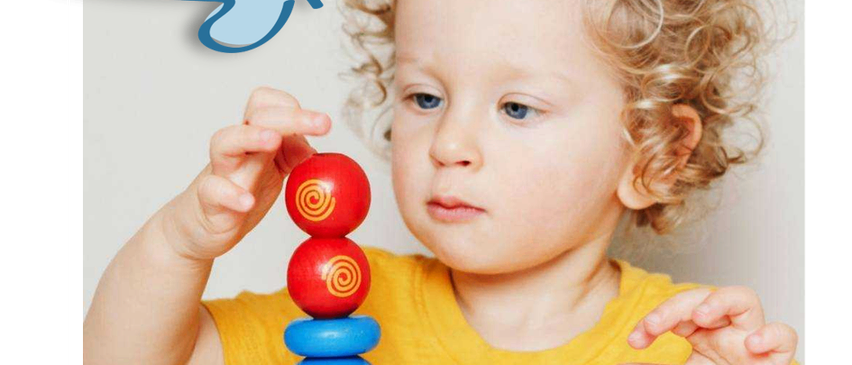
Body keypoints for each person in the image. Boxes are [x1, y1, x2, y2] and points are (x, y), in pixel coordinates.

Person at [84, 0, 799, 363]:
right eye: (426, 98)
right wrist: (184, 241)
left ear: (656, 153)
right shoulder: (341, 299)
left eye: (517, 107)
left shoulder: (683, 341)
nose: (449, 143)